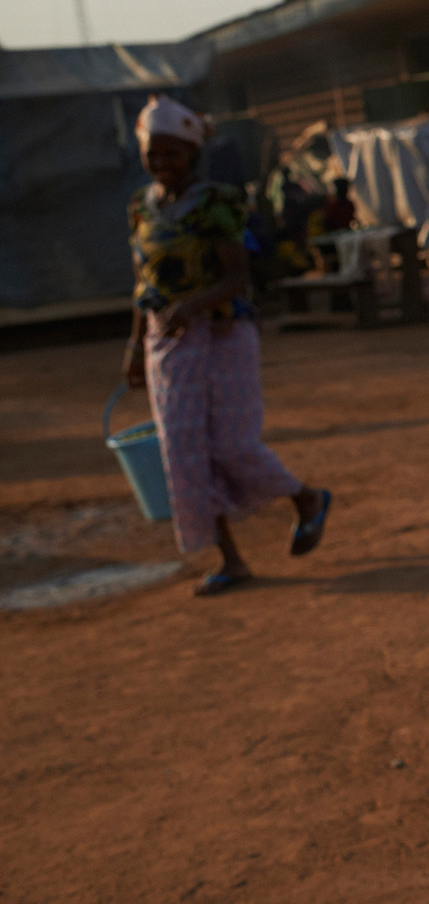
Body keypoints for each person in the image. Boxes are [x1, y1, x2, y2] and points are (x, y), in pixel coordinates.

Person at [122, 95, 332, 597]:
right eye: (154, 154)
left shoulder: (216, 203)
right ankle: (231, 561)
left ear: (192, 154)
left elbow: (238, 275)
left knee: (233, 445)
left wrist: (193, 306)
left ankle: (306, 499)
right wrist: (134, 346)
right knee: (184, 454)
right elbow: (142, 282)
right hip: (165, 344)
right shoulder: (140, 207)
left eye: (171, 154)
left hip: (221, 336)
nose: (160, 163)